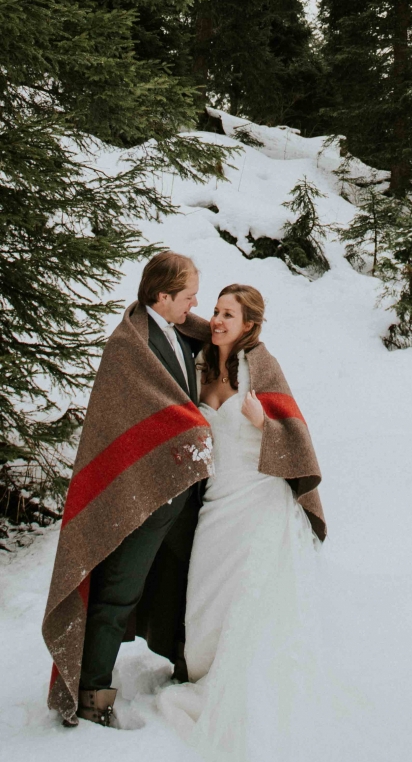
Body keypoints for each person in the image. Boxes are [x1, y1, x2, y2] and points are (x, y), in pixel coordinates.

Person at [42, 251, 214, 727]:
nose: (194, 304)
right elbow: (125, 421)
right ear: (162, 296)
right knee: (118, 591)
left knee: (186, 584)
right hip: (143, 496)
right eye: (187, 296)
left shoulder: (186, 334)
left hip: (186, 492)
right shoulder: (128, 346)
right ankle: (93, 694)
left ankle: (185, 669)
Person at [159, 283, 327, 762]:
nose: (215, 319)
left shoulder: (262, 366)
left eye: (228, 314)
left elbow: (298, 439)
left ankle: (240, 680)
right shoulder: (199, 365)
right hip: (216, 500)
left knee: (246, 594)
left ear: (249, 325)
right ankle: (202, 669)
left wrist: (261, 424)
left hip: (258, 496)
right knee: (207, 588)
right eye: (214, 310)